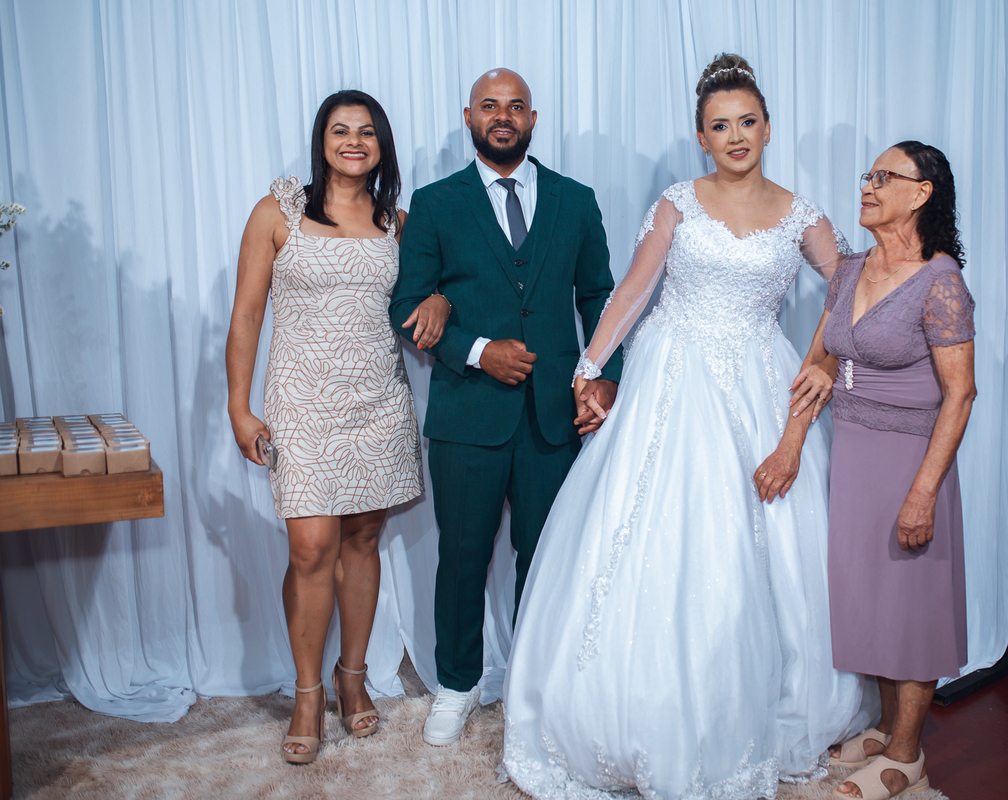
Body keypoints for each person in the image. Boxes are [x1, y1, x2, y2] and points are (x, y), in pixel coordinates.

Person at [501, 54, 877, 800]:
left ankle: (759, 703)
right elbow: (634, 289)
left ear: (767, 127)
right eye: (719, 125)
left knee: (767, 545)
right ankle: (636, 709)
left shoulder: (802, 214)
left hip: (759, 381)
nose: (735, 136)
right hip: (671, 377)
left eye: (747, 122)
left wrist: (825, 361)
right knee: (654, 533)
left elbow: (850, 288)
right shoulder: (679, 202)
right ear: (701, 137)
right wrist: (588, 366)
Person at [387, 68, 623, 747]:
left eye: (515, 106)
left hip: (555, 417)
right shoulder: (435, 204)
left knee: (546, 556)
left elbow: (600, 297)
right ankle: (457, 684)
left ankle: (536, 683)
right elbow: (407, 304)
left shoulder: (576, 200)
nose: (503, 116)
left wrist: (605, 376)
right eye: (489, 105)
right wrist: (478, 350)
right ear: (469, 117)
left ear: (533, 119)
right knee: (462, 556)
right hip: (467, 413)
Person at [226, 90, 450, 764]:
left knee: (362, 539)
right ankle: (306, 691)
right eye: (340, 130)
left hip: (377, 401)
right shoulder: (277, 212)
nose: (354, 141)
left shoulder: (398, 223)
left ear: (382, 145)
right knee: (310, 548)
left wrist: (439, 297)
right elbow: (247, 315)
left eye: (366, 132)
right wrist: (239, 406)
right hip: (301, 403)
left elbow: (436, 291)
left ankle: (353, 679)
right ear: (321, 141)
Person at [793, 141, 976, 799]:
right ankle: (885, 727)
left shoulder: (940, 281)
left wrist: (924, 493)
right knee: (867, 595)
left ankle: (907, 754)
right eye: (867, 175)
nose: (867, 186)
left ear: (922, 193)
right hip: (853, 452)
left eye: (884, 177)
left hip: (909, 459)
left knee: (910, 603)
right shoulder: (850, 269)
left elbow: (961, 394)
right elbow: (821, 358)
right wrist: (793, 434)